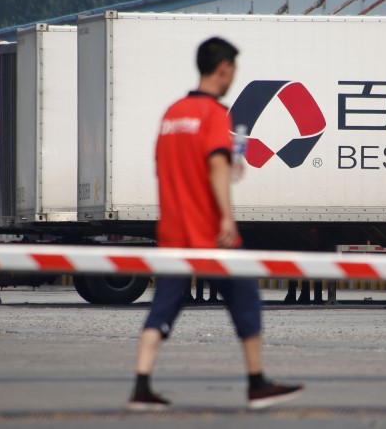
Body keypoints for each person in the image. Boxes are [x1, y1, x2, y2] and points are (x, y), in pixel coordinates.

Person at [127, 37, 303, 411]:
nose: (234, 76)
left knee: (162, 309)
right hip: (211, 233)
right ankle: (257, 383)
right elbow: (216, 166)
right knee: (246, 301)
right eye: (234, 69)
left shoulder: (171, 114)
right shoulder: (213, 114)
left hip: (174, 232)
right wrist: (226, 216)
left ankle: (141, 386)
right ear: (223, 67)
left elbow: (166, 167)